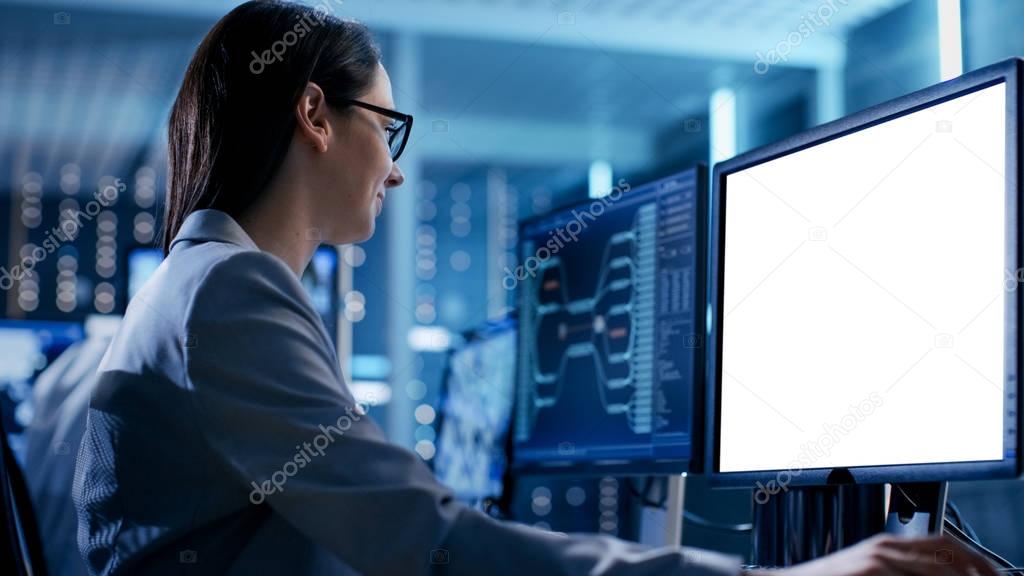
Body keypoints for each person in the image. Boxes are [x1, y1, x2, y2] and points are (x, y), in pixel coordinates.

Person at [71, 2, 999, 575]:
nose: (394, 172)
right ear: (314, 112)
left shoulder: (202, 287)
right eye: (388, 128)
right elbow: (426, 545)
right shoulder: (230, 295)